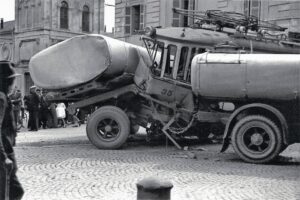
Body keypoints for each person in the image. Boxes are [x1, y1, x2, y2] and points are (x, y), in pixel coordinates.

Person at [0, 61, 24, 199]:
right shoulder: (1, 98)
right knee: (10, 192)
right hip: (4, 153)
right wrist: (4, 157)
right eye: (13, 80)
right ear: (7, 81)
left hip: (7, 150)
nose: (14, 84)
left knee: (14, 191)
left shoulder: (3, 96)